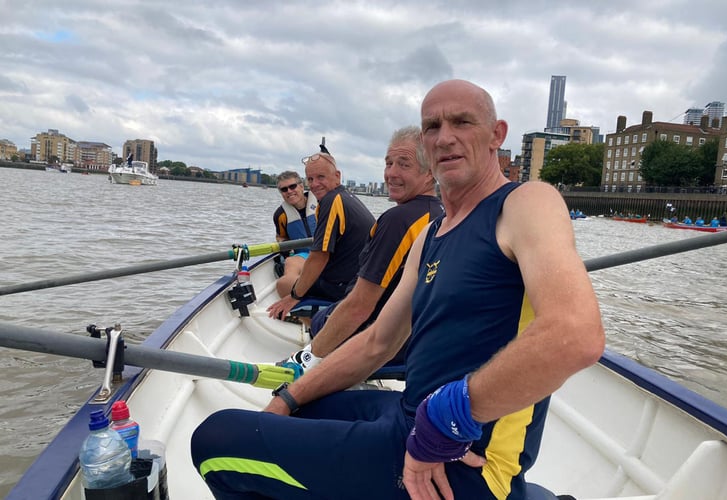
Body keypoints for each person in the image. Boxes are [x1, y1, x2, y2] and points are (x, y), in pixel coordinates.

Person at [192, 79, 605, 500]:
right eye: (432, 127)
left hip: (461, 460)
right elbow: (377, 342)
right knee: (300, 412)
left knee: (214, 440)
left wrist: (445, 421)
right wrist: (287, 398)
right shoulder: (430, 236)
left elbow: (575, 334)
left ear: (497, 135)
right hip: (411, 415)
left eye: (462, 121)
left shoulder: (525, 204)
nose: (445, 137)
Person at [285, 125, 444, 370]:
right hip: (416, 337)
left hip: (382, 342)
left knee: (317, 318)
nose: (391, 173)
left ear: (430, 172)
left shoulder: (398, 221)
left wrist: (306, 359)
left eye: (404, 164)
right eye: (388, 163)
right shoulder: (439, 213)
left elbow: (359, 307)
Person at [266, 147, 374, 320]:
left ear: (337, 176)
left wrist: (294, 296)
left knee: (284, 284)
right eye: (310, 179)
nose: (314, 184)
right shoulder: (346, 197)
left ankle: (313, 327)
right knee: (294, 267)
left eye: (321, 177)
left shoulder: (331, 202)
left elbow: (319, 257)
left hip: (346, 286)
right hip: (360, 278)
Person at [272, 171, 318, 297]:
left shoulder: (321, 203)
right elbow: (281, 237)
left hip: (326, 251)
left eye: (293, 186)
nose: (289, 191)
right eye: (284, 189)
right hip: (303, 256)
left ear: (302, 186)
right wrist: (283, 244)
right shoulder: (280, 215)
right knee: (290, 262)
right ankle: (294, 301)